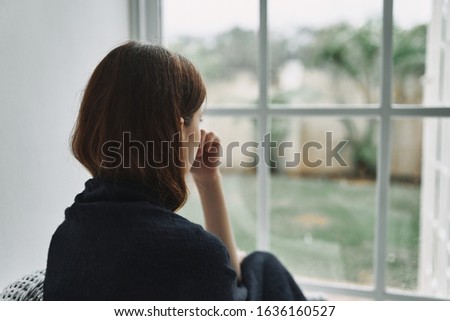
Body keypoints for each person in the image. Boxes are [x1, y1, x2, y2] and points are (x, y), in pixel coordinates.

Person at [43, 41, 307, 301]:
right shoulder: (193, 253)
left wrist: (208, 179)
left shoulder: (66, 237)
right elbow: (223, 274)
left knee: (254, 264)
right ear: (179, 129)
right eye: (199, 121)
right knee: (265, 266)